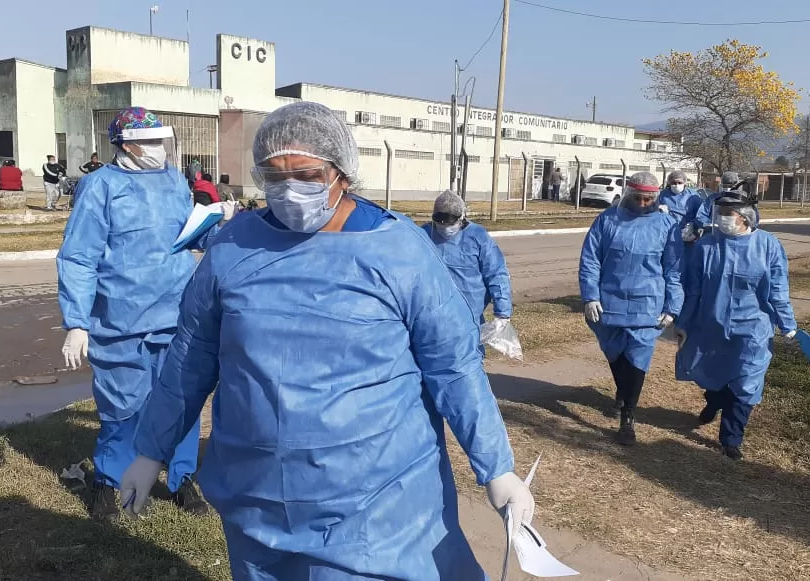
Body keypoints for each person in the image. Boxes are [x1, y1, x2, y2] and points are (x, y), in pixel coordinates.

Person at [119, 102, 534, 580]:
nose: (290, 190)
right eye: (274, 178)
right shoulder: (232, 249)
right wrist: (152, 451)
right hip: (257, 505)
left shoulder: (398, 252)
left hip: (375, 508)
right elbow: (190, 361)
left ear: (342, 172)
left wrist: (496, 469)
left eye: (307, 175)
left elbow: (454, 369)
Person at [56, 106, 236, 520]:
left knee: (183, 399)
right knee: (124, 407)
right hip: (121, 320)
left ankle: (183, 478)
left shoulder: (173, 180)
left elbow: (188, 234)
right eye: (150, 141)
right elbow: (79, 257)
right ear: (126, 145)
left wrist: (218, 224)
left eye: (161, 140)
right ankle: (109, 481)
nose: (159, 148)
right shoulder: (100, 186)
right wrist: (78, 322)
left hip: (177, 313)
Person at [675, 190, 797, 461]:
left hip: (753, 328)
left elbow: (778, 289)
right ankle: (714, 400)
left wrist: (786, 322)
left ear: (745, 217)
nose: (721, 220)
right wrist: (683, 323)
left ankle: (731, 438)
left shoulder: (768, 246)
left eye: (728, 215)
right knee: (712, 373)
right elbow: (692, 289)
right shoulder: (706, 246)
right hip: (711, 325)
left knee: (747, 381)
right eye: (719, 214)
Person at [579, 171, 683, 445]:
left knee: (638, 359)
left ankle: (628, 416)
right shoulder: (607, 220)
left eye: (649, 199)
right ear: (628, 194)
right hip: (609, 301)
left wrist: (672, 306)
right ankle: (623, 392)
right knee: (616, 355)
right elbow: (591, 260)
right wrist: (590, 296)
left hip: (647, 303)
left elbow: (673, 270)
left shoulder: (666, 225)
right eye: (638, 198)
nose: (643, 203)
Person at [422, 190, 513, 348]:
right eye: (440, 223)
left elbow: (496, 273)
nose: (445, 229)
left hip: (470, 317)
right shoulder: (424, 234)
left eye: (450, 224)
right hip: (431, 319)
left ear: (461, 218)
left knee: (468, 362)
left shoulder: (477, 236)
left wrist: (502, 312)